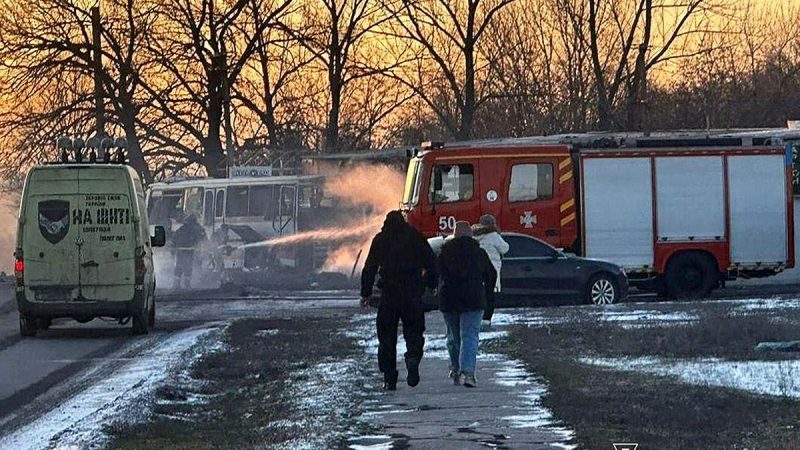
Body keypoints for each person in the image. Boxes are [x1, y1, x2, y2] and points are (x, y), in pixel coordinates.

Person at [361, 211, 438, 391]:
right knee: (414, 331)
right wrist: (431, 284)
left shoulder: (380, 239)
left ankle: (389, 378)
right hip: (412, 293)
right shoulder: (415, 237)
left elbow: (370, 267)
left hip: (389, 294)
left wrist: (366, 293)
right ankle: (413, 357)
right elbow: (432, 262)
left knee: (386, 337)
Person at [438, 221, 496, 388]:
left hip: (450, 299)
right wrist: (486, 292)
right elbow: (491, 274)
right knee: (470, 335)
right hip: (474, 299)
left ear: (454, 234)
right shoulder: (479, 253)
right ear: (471, 235)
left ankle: (455, 368)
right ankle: (469, 373)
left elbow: (436, 274)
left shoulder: (445, 253)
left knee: (453, 336)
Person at [472, 214, 509, 328]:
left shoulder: (473, 235)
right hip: (491, 268)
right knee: (490, 295)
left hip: (476, 269)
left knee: (478, 294)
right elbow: (505, 248)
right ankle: (486, 319)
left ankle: (477, 317)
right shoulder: (493, 236)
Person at [171, 214, 207, 289]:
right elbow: (203, 237)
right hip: (189, 251)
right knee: (187, 267)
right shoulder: (196, 229)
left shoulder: (181, 229)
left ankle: (177, 284)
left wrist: (173, 249)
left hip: (181, 251)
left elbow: (174, 239)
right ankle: (186, 284)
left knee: (179, 267)